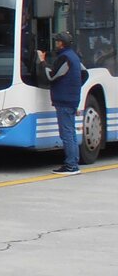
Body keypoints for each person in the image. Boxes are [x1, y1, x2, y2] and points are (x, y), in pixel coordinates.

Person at [39, 31, 84, 175]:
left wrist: (42, 61)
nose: (56, 43)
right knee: (71, 132)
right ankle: (73, 162)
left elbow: (51, 76)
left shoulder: (64, 57)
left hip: (64, 100)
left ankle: (71, 165)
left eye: (57, 41)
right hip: (72, 99)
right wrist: (74, 88)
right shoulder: (74, 56)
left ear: (61, 43)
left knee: (66, 133)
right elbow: (85, 74)